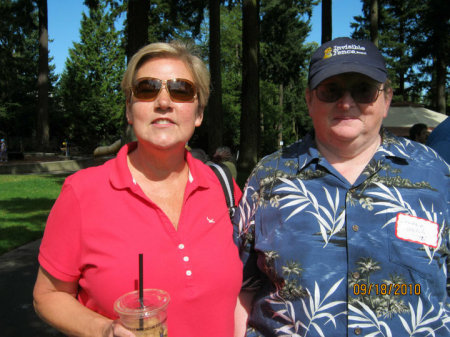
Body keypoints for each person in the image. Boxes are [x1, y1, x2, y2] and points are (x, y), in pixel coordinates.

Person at [234, 37, 449, 337]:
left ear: (386, 99)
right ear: (309, 100)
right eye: (330, 90)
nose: (346, 103)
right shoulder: (267, 178)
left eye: (363, 90)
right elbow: (241, 290)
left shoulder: (437, 175)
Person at [33, 41, 243, 337]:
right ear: (130, 110)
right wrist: (105, 330)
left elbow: (249, 289)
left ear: (198, 114)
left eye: (181, 90)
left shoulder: (223, 188)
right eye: (147, 89)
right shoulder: (83, 192)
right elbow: (48, 295)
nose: (164, 102)